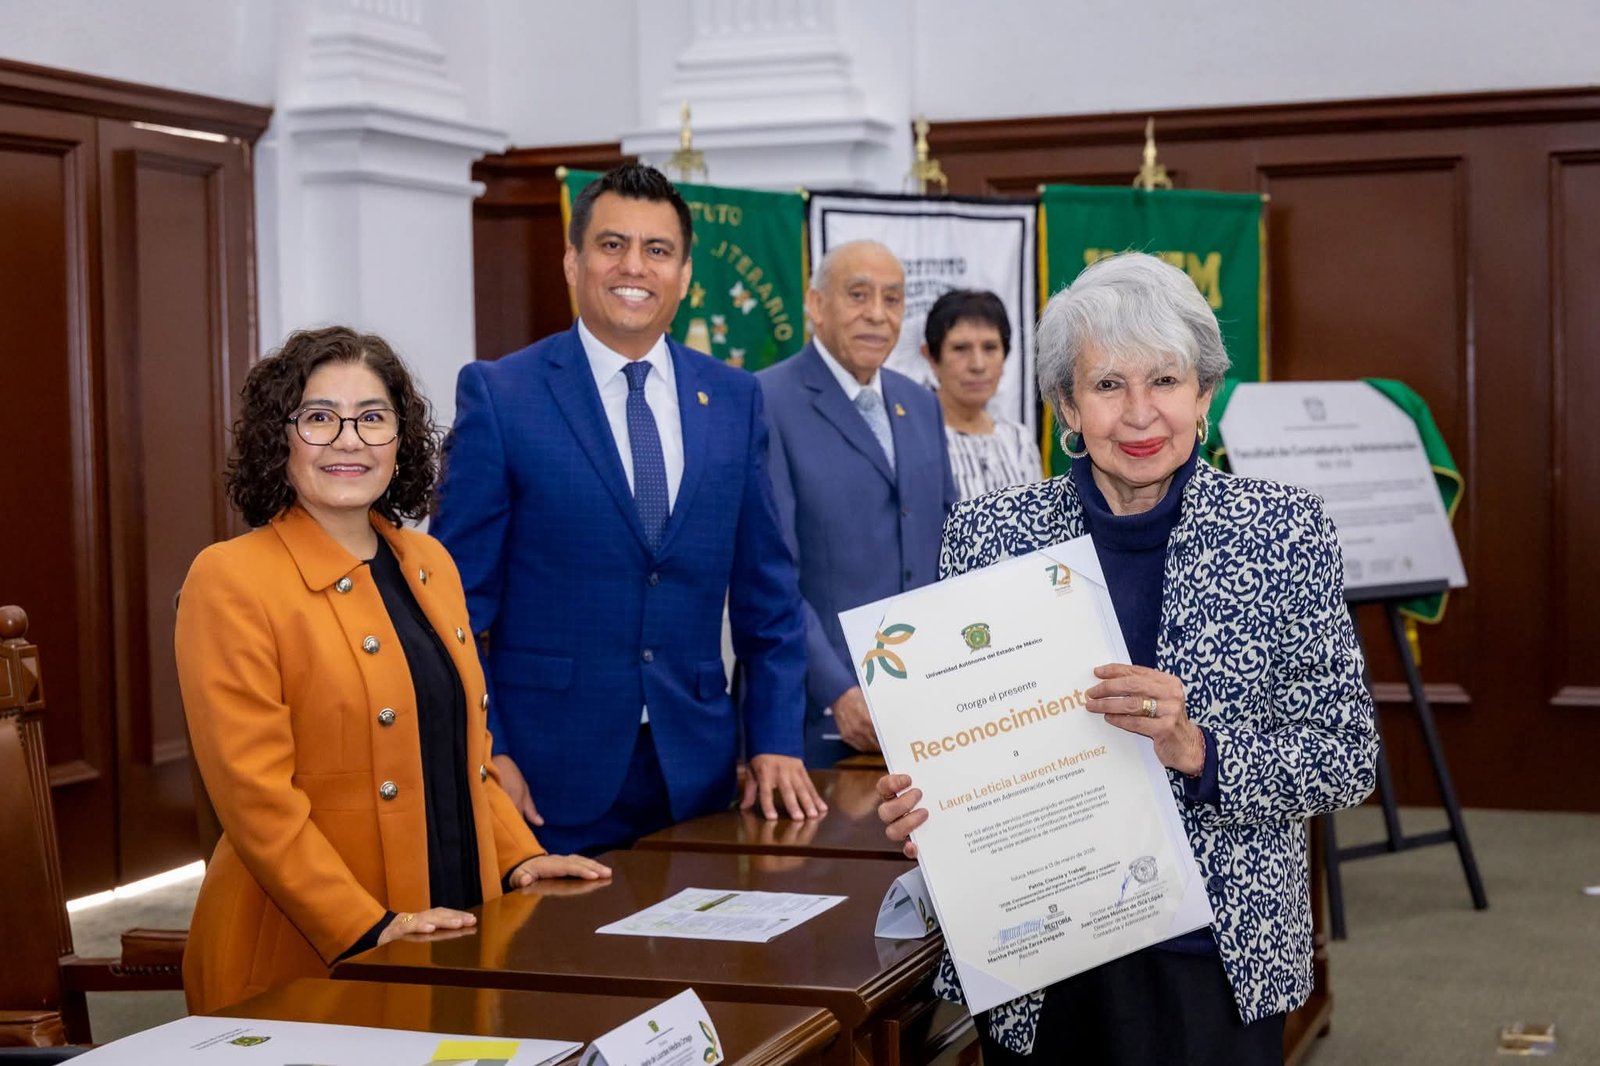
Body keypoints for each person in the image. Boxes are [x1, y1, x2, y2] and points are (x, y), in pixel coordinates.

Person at [876, 252, 1378, 1065]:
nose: (1140, 414)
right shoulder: (989, 537)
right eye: (1108, 385)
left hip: (1212, 954)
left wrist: (1197, 749)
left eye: (1166, 381)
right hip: (1038, 950)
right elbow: (959, 742)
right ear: (1066, 406)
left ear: (1204, 395)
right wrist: (929, 806)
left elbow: (1346, 758)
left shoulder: (1283, 532)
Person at [175, 327, 610, 1013]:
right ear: (277, 439)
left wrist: (519, 856)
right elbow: (257, 801)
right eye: (320, 418)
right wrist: (370, 927)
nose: (349, 441)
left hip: (459, 923)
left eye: (373, 418)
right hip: (311, 954)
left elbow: (466, 754)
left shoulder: (431, 563)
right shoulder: (230, 579)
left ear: (400, 440)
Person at [432, 164, 823, 857]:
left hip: (698, 777)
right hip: (544, 780)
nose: (634, 266)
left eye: (657, 249)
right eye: (612, 245)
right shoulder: (503, 395)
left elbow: (770, 600)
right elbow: (454, 609)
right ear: (573, 262)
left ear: (685, 273)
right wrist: (488, 751)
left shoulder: (735, 401)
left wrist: (773, 739)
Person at [757, 240, 959, 766]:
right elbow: (770, 576)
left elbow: (951, 547)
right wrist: (837, 691)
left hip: (928, 709)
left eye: (892, 299)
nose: (876, 314)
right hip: (820, 720)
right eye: (858, 295)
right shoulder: (766, 401)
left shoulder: (921, 403)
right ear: (816, 304)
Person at [920, 288, 1042, 499]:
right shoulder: (914, 440)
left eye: (990, 348)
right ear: (932, 358)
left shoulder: (1018, 440)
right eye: (960, 348)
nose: (978, 365)